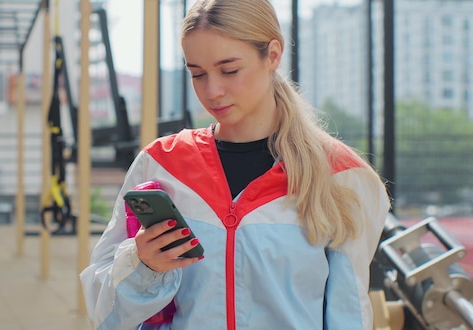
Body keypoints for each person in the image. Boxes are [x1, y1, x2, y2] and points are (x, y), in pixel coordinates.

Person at [80, 0, 390, 329]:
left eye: (229, 70)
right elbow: (104, 313)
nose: (212, 91)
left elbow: (348, 314)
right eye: (197, 74)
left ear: (272, 55)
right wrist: (141, 265)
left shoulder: (342, 176)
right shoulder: (160, 165)